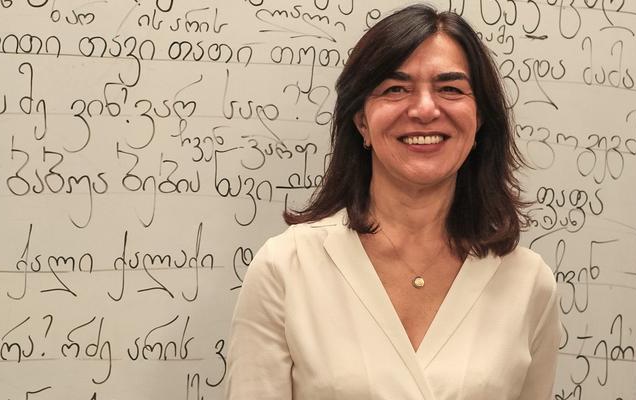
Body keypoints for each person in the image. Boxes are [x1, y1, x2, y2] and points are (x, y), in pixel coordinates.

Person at [225, 4, 559, 400]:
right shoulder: (286, 268)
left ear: (480, 119)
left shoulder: (528, 283)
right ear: (361, 121)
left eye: (450, 89)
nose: (424, 109)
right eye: (395, 89)